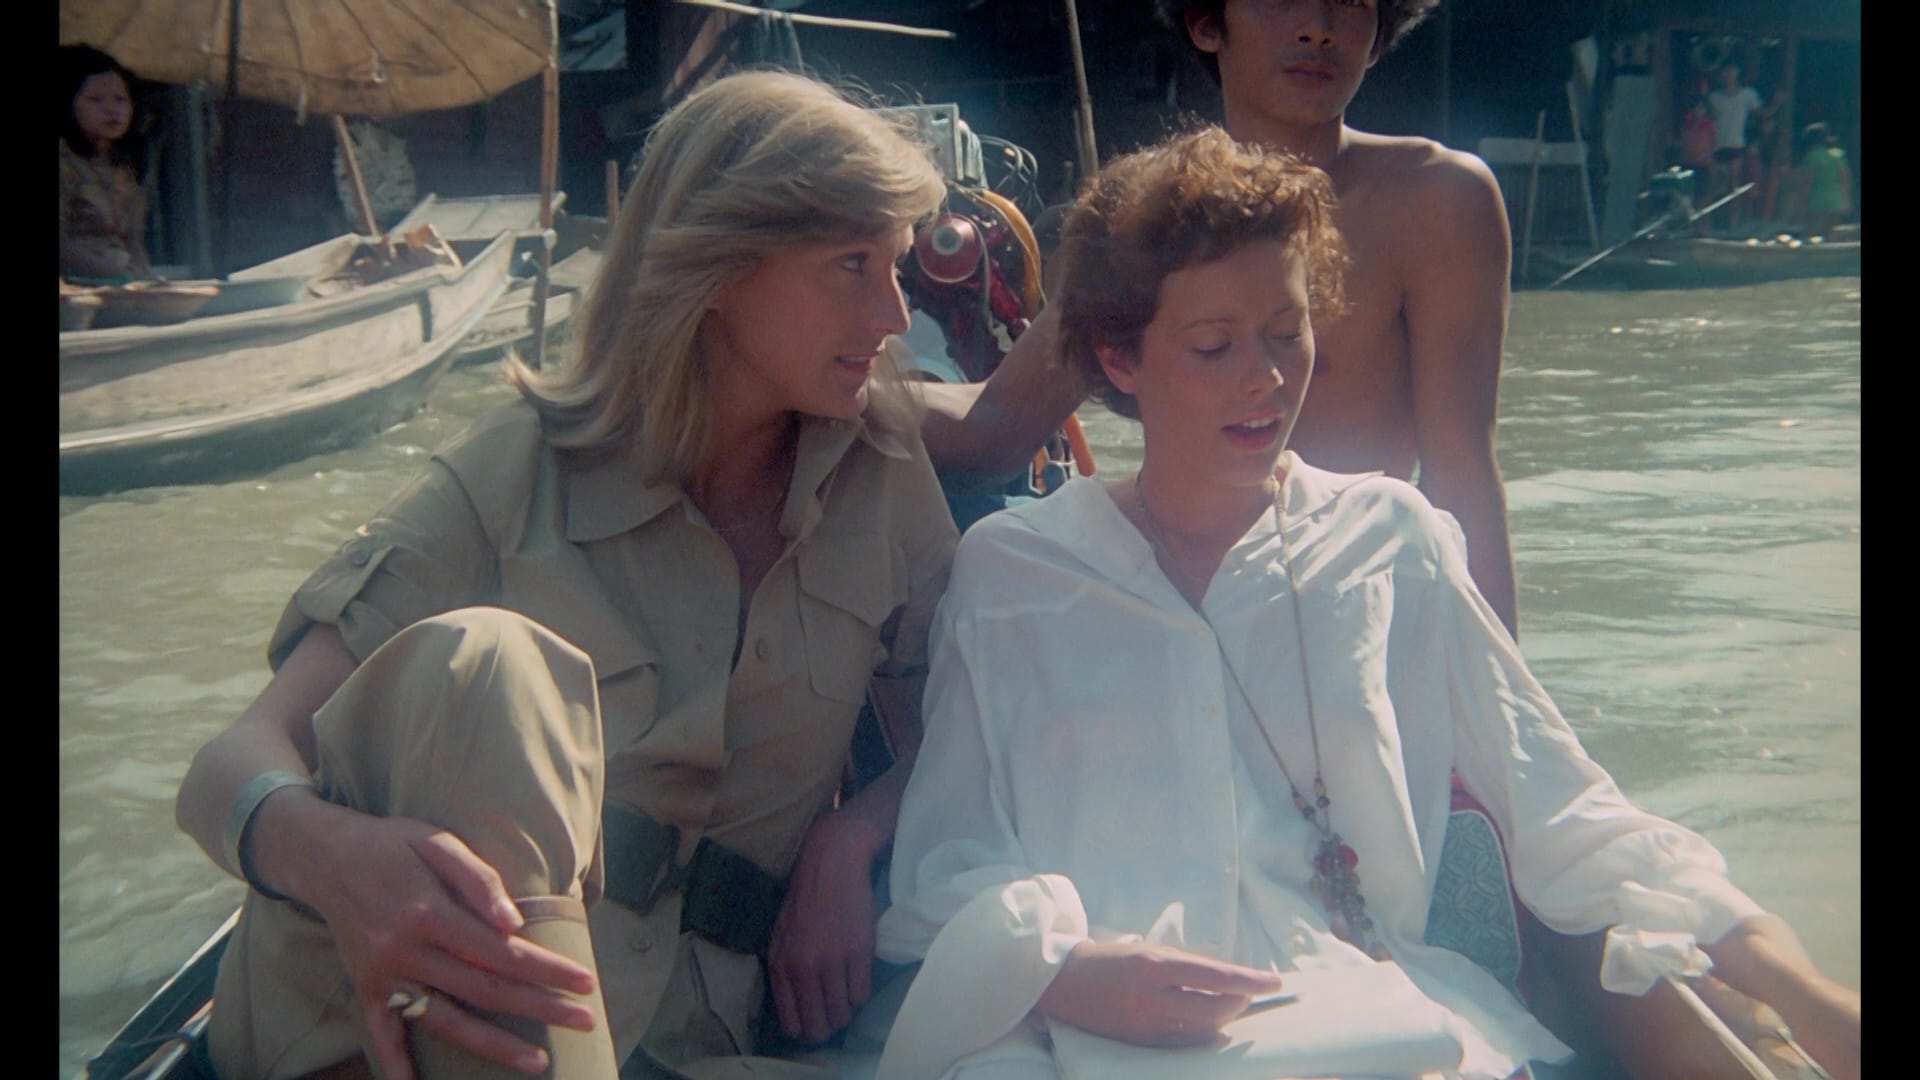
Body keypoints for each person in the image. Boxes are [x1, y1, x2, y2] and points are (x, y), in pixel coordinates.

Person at [872, 128, 1860, 1080]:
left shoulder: (1393, 539)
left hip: (1372, 1026)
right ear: (1119, 360)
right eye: (1214, 345)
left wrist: (1799, 990)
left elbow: (1566, 812)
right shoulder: (1015, 572)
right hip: (1080, 1046)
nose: (1267, 379)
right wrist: (1067, 975)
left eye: (1288, 331)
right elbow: (945, 863)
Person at [174, 69, 957, 1080]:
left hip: (691, 1035)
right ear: (720, 268)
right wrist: (336, 861)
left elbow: (960, 735)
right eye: (852, 265)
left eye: (895, 265)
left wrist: (852, 837)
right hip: (397, 1022)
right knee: (490, 661)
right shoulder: (513, 474)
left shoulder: (883, 475)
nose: (894, 313)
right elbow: (230, 762)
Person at [922, 0, 1518, 639]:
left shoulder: (1438, 199)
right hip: (1177, 607)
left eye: (1351, 1)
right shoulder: (1149, 214)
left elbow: (1462, 472)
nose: (1318, 27)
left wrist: (1498, 683)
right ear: (1206, 22)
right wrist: (851, 391)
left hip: (1348, 608)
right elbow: (996, 426)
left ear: (1379, 33)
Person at [60, 44, 153, 283]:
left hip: (120, 283)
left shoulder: (122, 167)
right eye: (96, 100)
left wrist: (146, 278)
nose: (112, 110)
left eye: (120, 100)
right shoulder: (64, 165)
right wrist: (113, 273)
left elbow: (133, 241)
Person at [1705, 62, 1766, 230]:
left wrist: (1776, 105)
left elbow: (1761, 115)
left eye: (1731, 71)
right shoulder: (1714, 97)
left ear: (1737, 72)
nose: (1728, 75)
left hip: (1736, 145)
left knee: (1734, 186)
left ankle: (1733, 224)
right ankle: (1706, 223)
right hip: (1716, 146)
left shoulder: (1748, 95)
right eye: (1725, 72)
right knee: (1710, 185)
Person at [1796, 122, 1853, 239]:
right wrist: (1846, 202)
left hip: (1816, 203)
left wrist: (1801, 206)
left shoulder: (1811, 157)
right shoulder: (1838, 155)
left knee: (1812, 236)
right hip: (1836, 203)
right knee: (1830, 235)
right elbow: (1845, 179)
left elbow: (1807, 183)